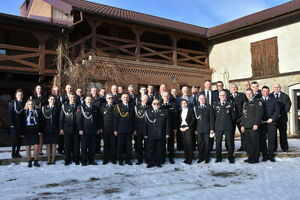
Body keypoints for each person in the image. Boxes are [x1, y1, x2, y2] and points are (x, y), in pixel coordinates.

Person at [144, 99, 170, 168]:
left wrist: (167, 133)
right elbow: (145, 124)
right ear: (152, 104)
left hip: (161, 133)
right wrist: (145, 134)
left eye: (158, 104)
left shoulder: (165, 111)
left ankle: (158, 162)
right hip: (150, 133)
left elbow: (167, 123)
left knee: (159, 149)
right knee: (150, 149)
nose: (156, 105)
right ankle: (150, 162)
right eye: (154, 104)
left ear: (160, 104)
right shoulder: (147, 111)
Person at [212, 90, 236, 163]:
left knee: (229, 143)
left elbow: (233, 117)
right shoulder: (215, 105)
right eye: (221, 95)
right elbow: (214, 117)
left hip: (228, 127)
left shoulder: (231, 104)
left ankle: (230, 157)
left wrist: (231, 125)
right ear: (219, 97)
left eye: (224, 95)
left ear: (226, 96)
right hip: (218, 127)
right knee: (218, 143)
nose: (222, 97)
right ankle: (218, 158)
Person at [241, 89, 264, 164]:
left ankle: (255, 158)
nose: (248, 95)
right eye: (247, 94)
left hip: (253, 126)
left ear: (253, 94)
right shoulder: (245, 103)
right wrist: (242, 125)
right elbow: (244, 116)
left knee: (255, 143)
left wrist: (256, 124)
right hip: (246, 126)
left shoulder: (257, 102)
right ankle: (250, 157)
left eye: (250, 93)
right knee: (249, 143)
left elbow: (259, 114)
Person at [77, 96, 100, 166]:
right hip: (84, 131)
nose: (89, 101)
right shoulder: (81, 108)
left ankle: (91, 160)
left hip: (93, 131)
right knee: (84, 147)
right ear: (85, 100)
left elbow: (98, 120)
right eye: (88, 99)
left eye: (90, 99)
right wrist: (80, 129)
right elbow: (79, 119)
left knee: (92, 147)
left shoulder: (95, 108)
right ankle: (84, 161)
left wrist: (98, 128)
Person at [259, 86, 280, 162]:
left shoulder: (273, 100)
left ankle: (271, 155)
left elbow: (277, 111)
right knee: (262, 139)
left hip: (271, 122)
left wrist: (272, 118)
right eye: (264, 91)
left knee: (272, 139)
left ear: (269, 91)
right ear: (261, 92)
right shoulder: (258, 100)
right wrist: (259, 120)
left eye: (267, 91)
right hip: (261, 123)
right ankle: (264, 155)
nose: (266, 92)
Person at [114, 93, 135, 165]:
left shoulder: (132, 106)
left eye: (127, 97)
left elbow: (133, 118)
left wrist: (134, 128)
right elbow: (116, 119)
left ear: (128, 98)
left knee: (129, 146)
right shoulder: (118, 106)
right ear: (121, 98)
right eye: (124, 97)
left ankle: (128, 160)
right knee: (120, 145)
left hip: (129, 129)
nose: (125, 99)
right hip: (120, 129)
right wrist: (115, 129)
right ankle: (120, 159)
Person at [59, 93, 80, 165]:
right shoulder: (64, 106)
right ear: (69, 98)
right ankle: (67, 160)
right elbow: (61, 118)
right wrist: (61, 128)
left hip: (76, 129)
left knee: (76, 145)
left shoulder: (79, 106)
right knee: (67, 145)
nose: (72, 99)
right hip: (67, 129)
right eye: (71, 97)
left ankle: (76, 159)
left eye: (74, 97)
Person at [271, 83, 292, 152]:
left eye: (278, 87)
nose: (277, 88)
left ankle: (284, 148)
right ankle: (273, 148)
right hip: (273, 119)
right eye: (275, 87)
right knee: (273, 134)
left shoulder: (285, 96)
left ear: (280, 88)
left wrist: (280, 114)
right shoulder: (270, 96)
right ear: (273, 88)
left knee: (283, 134)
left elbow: (288, 106)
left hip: (282, 118)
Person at [194, 94, 214, 163]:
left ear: (205, 100)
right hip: (199, 129)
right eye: (201, 98)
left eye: (203, 99)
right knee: (200, 144)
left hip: (207, 128)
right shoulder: (196, 107)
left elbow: (211, 118)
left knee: (207, 143)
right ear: (198, 100)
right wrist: (195, 129)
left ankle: (206, 158)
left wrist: (212, 129)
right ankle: (201, 157)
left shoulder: (209, 107)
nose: (202, 100)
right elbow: (195, 120)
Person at [200, 80, 218, 151]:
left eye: (210, 84)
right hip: (204, 114)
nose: (208, 85)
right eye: (207, 84)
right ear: (204, 85)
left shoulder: (215, 93)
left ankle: (210, 146)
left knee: (212, 129)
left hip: (213, 113)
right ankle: (204, 147)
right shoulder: (201, 93)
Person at [41, 95, 60, 165]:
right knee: (48, 145)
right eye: (51, 99)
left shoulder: (57, 108)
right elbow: (42, 120)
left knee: (54, 144)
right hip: (46, 129)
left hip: (55, 129)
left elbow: (59, 120)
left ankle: (53, 159)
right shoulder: (44, 108)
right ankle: (48, 158)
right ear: (48, 100)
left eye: (53, 99)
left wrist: (59, 129)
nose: (52, 101)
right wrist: (41, 129)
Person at [161, 91, 178, 164]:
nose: (166, 97)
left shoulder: (173, 105)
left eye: (167, 96)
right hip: (162, 128)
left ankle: (171, 158)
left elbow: (175, 117)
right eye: (164, 96)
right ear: (162, 97)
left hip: (171, 127)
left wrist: (175, 127)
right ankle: (163, 158)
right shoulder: (160, 105)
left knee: (171, 144)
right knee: (162, 144)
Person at [229, 84, 247, 151]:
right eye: (232, 87)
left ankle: (244, 147)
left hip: (240, 118)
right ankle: (231, 148)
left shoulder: (242, 95)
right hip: (231, 119)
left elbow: (245, 106)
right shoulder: (228, 96)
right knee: (231, 134)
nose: (233, 89)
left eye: (235, 87)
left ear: (237, 88)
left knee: (243, 133)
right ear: (230, 89)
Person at [8, 89, 25, 158]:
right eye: (18, 95)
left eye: (21, 95)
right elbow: (10, 114)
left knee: (20, 140)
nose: (20, 96)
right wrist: (11, 124)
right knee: (15, 139)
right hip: (14, 124)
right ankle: (13, 153)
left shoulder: (24, 103)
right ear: (16, 95)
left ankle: (17, 152)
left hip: (22, 125)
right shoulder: (13, 103)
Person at [100, 94, 117, 165]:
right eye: (109, 98)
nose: (110, 99)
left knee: (113, 145)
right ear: (106, 99)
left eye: (111, 98)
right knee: (106, 145)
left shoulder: (116, 107)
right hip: (105, 129)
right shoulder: (103, 107)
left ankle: (113, 159)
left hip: (113, 129)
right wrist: (100, 128)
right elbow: (100, 118)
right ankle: (105, 159)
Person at [24, 99, 41, 167]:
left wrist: (40, 130)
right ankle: (29, 161)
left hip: (35, 129)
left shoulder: (37, 112)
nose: (30, 105)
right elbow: (22, 122)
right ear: (27, 105)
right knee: (28, 147)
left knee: (36, 147)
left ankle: (36, 161)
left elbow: (40, 121)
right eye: (29, 104)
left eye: (31, 104)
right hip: (27, 130)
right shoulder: (24, 112)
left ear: (33, 105)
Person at [178, 99, 195, 165]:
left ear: (187, 104)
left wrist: (188, 127)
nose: (184, 104)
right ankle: (186, 158)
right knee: (185, 144)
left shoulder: (190, 111)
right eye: (183, 103)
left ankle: (190, 159)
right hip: (182, 128)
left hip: (188, 128)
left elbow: (193, 120)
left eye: (185, 103)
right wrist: (180, 127)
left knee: (189, 144)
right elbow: (178, 120)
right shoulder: (179, 111)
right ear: (181, 104)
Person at [32, 85, 47, 156]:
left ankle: (40, 150)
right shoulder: (33, 98)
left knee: (41, 135)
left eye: (40, 89)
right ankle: (35, 150)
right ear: (35, 90)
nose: (39, 90)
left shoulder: (44, 98)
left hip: (42, 118)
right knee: (35, 135)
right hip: (35, 119)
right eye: (38, 88)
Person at [134, 94, 149, 165]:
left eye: (146, 98)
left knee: (147, 146)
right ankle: (139, 160)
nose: (145, 100)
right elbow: (135, 119)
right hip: (139, 129)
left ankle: (147, 159)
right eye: (144, 98)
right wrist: (135, 129)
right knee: (139, 146)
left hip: (147, 130)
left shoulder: (149, 107)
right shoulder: (137, 107)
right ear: (141, 99)